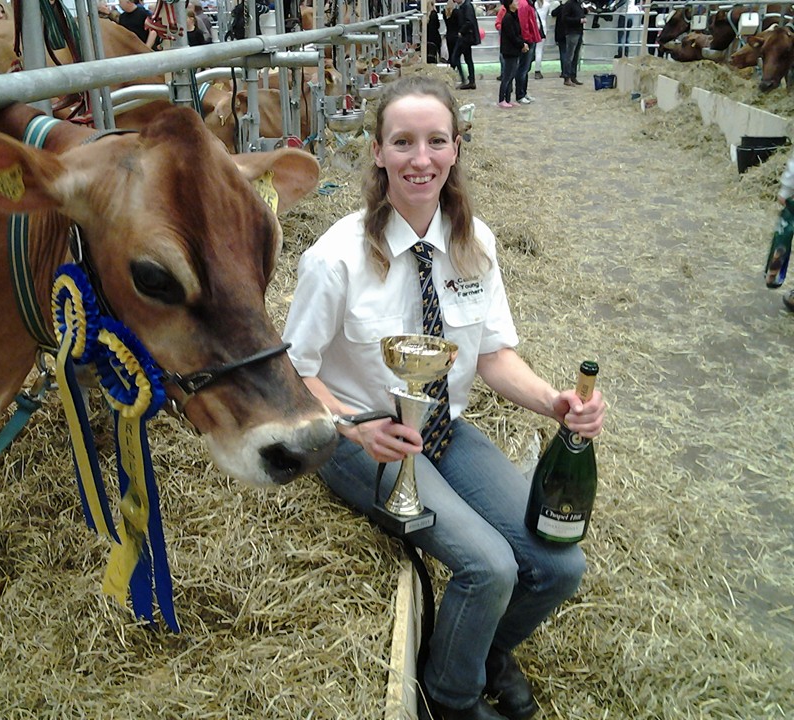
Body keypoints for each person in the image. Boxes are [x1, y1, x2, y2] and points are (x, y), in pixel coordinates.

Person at [282, 75, 606, 720]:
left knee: (560, 568)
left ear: (457, 148)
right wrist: (354, 427)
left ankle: (484, 651)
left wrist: (553, 401)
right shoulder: (336, 257)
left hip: (444, 430)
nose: (420, 158)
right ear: (378, 152)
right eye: (403, 142)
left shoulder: (473, 241)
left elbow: (491, 354)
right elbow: (293, 371)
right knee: (490, 568)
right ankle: (451, 697)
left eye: (436, 141)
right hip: (368, 442)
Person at [496, 0, 541, 104]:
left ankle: (514, 96)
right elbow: (518, 30)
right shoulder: (511, 15)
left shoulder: (516, 12)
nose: (517, 3)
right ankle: (510, 97)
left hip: (520, 44)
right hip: (515, 47)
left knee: (517, 71)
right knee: (513, 73)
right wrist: (523, 43)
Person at [498, 0, 528, 108]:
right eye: (515, 1)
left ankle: (508, 99)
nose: (517, 2)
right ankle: (501, 99)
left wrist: (523, 44)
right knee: (507, 76)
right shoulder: (508, 18)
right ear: (510, 4)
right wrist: (521, 44)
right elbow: (512, 36)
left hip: (514, 50)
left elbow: (518, 33)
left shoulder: (514, 16)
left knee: (511, 75)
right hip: (509, 51)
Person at [552, 0, 585, 85]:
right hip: (572, 32)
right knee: (569, 55)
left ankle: (573, 75)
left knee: (575, 55)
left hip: (578, 32)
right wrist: (579, 20)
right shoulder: (569, 4)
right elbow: (565, 18)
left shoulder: (578, 4)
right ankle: (567, 76)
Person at [450, 0, 481, 90]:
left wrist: (461, 31)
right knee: (467, 59)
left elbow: (469, 21)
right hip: (466, 37)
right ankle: (470, 80)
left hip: (465, 37)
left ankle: (466, 80)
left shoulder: (466, 6)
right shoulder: (465, 5)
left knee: (456, 57)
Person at [533, 0, 551, 78]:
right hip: (543, 28)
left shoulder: (533, 4)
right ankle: (537, 70)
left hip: (533, 26)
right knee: (539, 50)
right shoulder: (547, 4)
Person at [443, 0, 462, 70]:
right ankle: (457, 69)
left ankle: (452, 68)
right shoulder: (456, 12)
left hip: (449, 35)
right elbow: (459, 23)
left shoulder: (444, 13)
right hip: (456, 36)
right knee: (456, 54)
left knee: (450, 53)